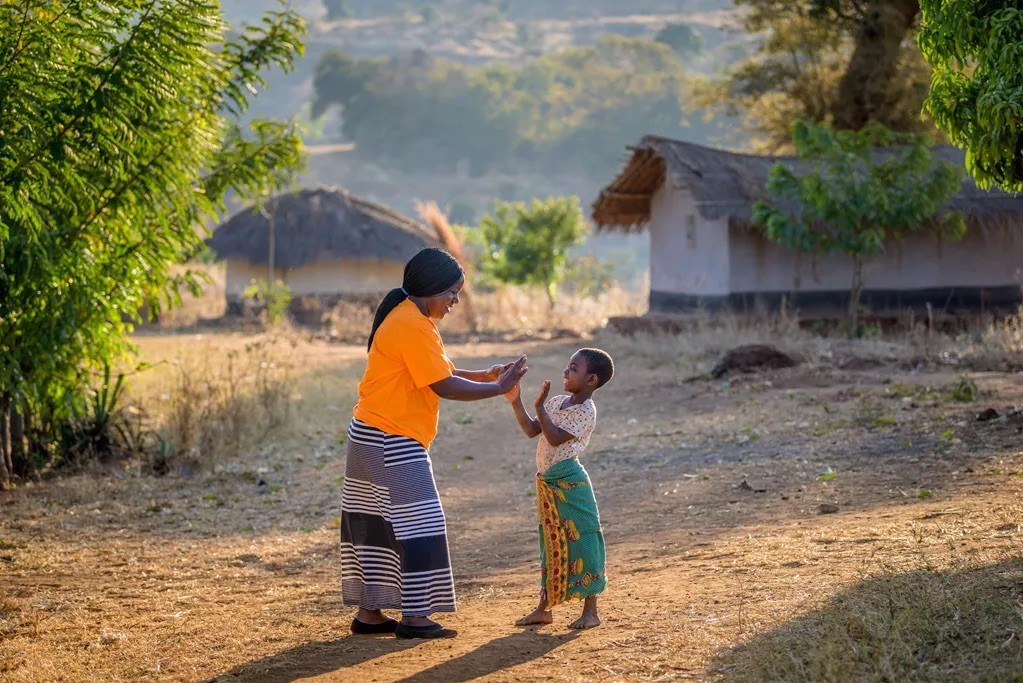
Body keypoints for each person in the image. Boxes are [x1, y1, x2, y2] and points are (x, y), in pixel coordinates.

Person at [341, 247, 527, 640]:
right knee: (422, 523)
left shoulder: (409, 317)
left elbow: (438, 371)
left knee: (378, 524)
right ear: (431, 289)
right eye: (452, 293)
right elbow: (443, 385)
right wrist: (499, 388)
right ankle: (415, 617)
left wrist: (485, 375)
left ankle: (370, 613)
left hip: (371, 435)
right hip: (390, 439)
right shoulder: (412, 323)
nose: (455, 301)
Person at [504, 347, 614, 630]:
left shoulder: (585, 411)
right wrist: (517, 401)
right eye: (567, 365)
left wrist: (539, 407)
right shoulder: (556, 403)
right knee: (550, 542)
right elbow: (532, 430)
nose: (566, 371)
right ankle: (544, 608)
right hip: (549, 482)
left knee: (584, 540)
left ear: (591, 380)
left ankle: (591, 611)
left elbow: (553, 439)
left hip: (570, 483)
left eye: (573, 368)